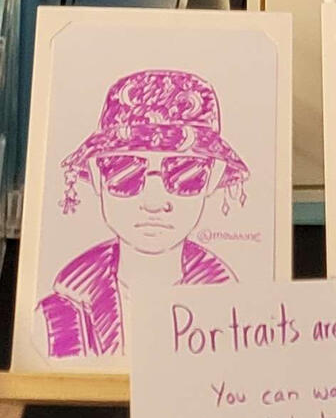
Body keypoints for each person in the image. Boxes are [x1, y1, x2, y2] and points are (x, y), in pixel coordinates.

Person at [37, 69, 248, 358]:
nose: (154, 201)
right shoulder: (56, 320)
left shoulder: (235, 313)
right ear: (97, 176)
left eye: (184, 173)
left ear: (213, 178)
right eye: (125, 171)